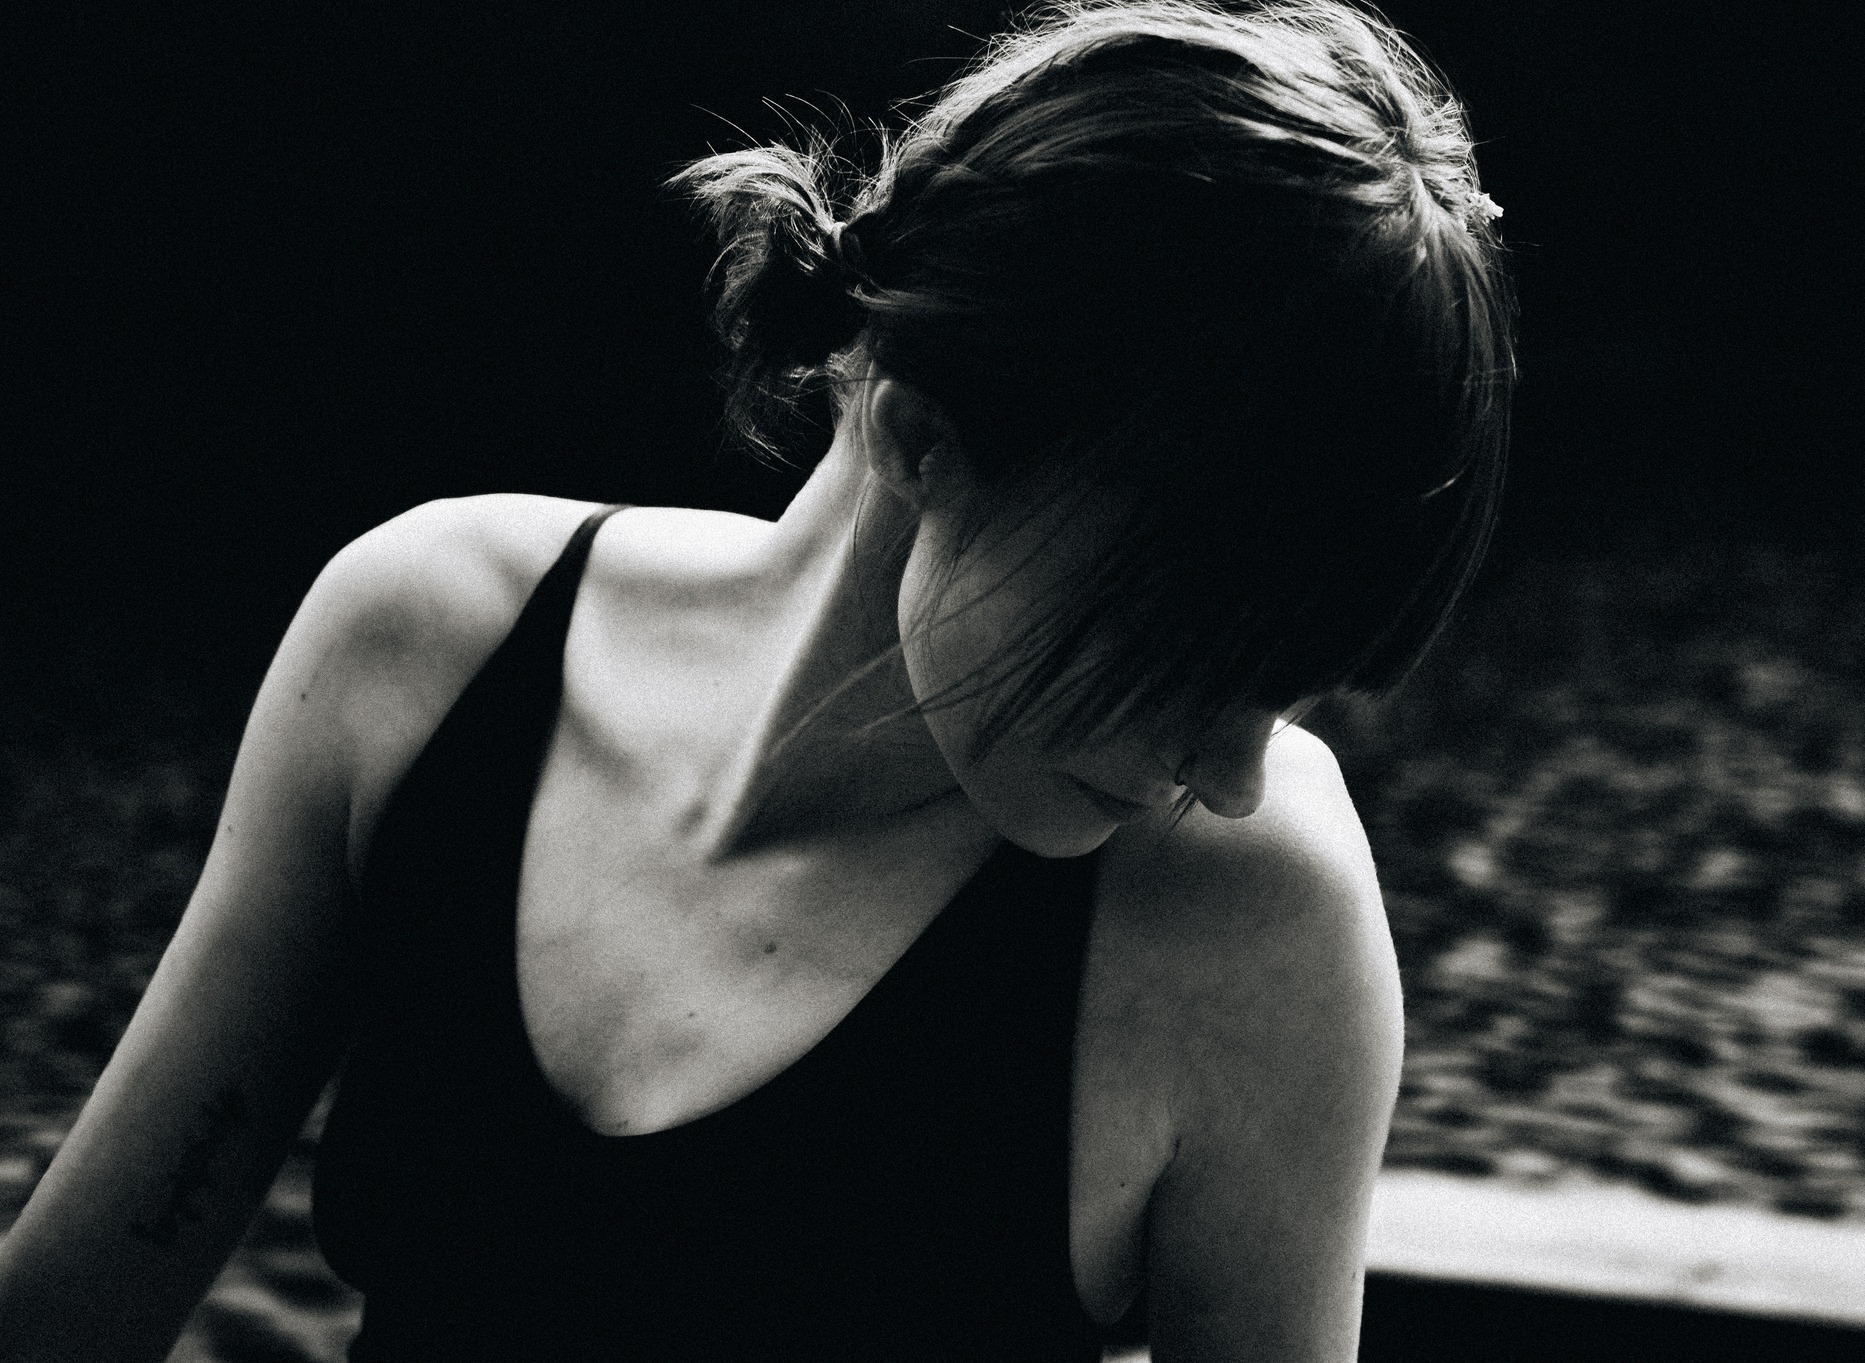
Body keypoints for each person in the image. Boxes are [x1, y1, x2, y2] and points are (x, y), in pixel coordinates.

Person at [0, 0, 1513, 1358]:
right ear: (926, 439)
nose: (1236, 772)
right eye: (1192, 656)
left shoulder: (1250, 922)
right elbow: (72, 1315)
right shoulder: (425, 649)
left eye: (1292, 686)